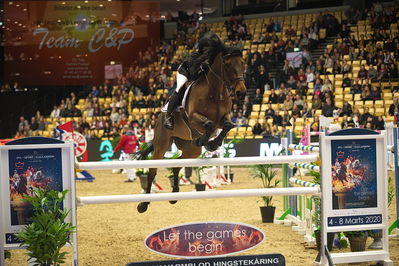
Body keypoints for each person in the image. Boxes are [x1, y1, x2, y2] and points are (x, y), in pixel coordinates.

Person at [164, 32, 227, 129]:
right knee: (180, 89)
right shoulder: (194, 56)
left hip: (196, 75)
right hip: (185, 73)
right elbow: (193, 74)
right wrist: (202, 64)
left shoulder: (210, 58)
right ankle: (168, 116)